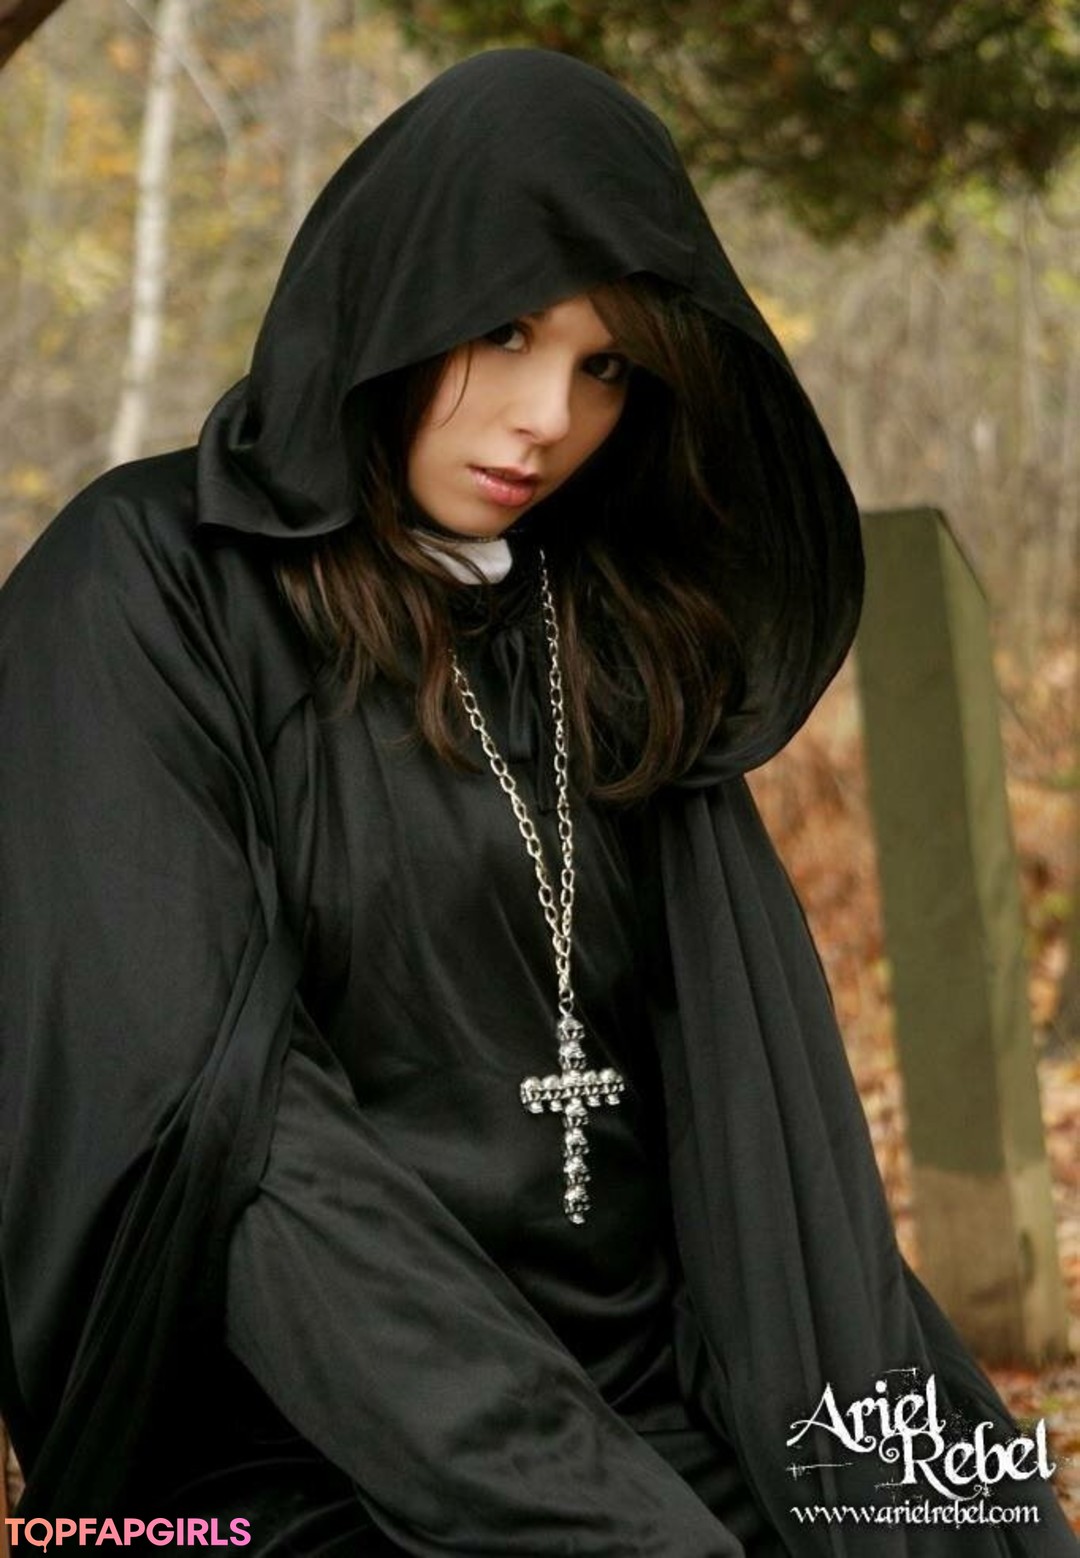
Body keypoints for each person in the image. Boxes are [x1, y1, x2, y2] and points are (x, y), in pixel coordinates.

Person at [0, 47, 1073, 1558]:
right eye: (503, 331)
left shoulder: (609, 628)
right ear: (394, 287)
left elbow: (758, 1144)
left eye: (605, 367)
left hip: (655, 1411)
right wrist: (604, 1521)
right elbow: (236, 1146)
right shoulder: (142, 590)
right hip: (285, 1455)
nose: (544, 419)